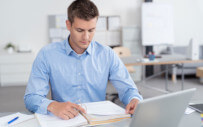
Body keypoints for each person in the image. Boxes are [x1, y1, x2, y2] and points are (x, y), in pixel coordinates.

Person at [24, 0, 143, 120]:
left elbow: (129, 90)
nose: (86, 37)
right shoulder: (47, 54)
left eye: (91, 30)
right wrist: (53, 105)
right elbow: (31, 98)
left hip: (97, 122)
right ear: (68, 25)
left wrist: (134, 99)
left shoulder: (107, 54)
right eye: (80, 30)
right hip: (64, 121)